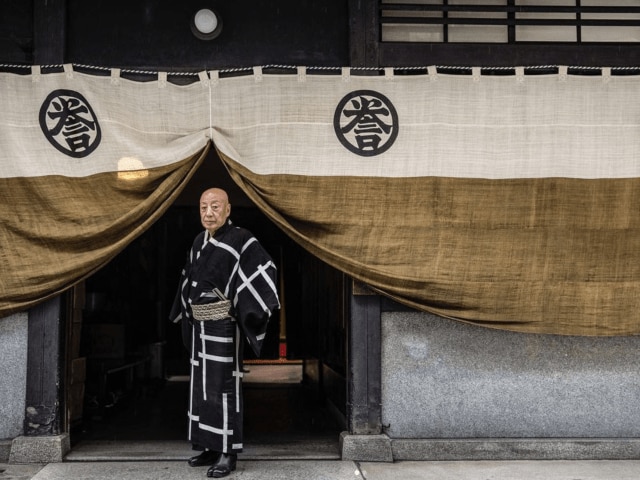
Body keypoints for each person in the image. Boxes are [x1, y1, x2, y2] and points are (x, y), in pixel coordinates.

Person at [170, 187, 280, 478]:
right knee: (201, 388)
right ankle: (207, 445)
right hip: (199, 326)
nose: (209, 212)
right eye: (204, 206)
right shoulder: (197, 242)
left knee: (222, 388)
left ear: (228, 210)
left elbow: (263, 270)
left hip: (222, 326)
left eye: (216, 206)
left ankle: (227, 453)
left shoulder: (242, 240)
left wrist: (240, 308)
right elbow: (188, 279)